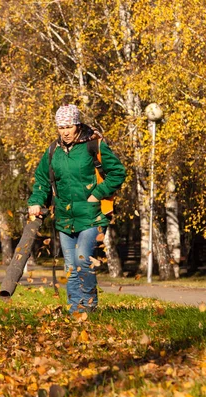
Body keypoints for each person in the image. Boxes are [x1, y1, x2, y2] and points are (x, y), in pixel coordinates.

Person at [28, 104, 126, 313]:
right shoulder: (53, 151)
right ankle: (75, 311)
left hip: (92, 215)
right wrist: (36, 201)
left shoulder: (93, 145)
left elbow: (118, 172)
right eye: (61, 127)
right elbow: (42, 180)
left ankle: (89, 307)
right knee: (71, 268)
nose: (65, 132)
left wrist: (97, 194)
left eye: (69, 127)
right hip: (65, 217)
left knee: (82, 261)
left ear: (77, 125)